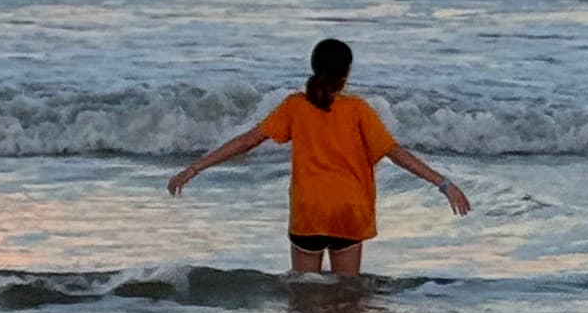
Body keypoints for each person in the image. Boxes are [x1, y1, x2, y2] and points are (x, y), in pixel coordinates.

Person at [166, 37, 471, 277]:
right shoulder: (358, 109)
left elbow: (248, 140)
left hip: (309, 212)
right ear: (346, 74)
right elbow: (397, 154)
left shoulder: (295, 106)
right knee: (347, 298)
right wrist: (443, 184)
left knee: (304, 295)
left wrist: (195, 168)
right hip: (348, 211)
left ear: (314, 69)